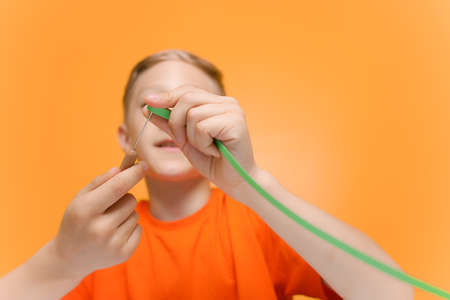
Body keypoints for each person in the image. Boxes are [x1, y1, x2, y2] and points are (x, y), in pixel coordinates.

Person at [0, 49, 414, 300]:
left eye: (192, 108)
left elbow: (391, 292)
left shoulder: (259, 222)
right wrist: (62, 260)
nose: (170, 121)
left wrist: (252, 183)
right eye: (153, 109)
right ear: (127, 136)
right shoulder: (97, 244)